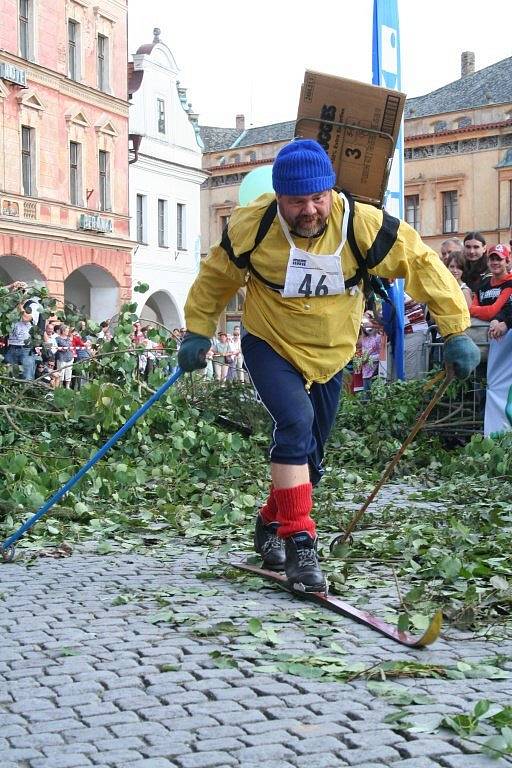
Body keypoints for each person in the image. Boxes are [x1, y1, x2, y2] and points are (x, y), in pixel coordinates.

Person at [178, 138, 479, 593]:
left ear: (330, 191)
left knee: (312, 459)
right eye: (297, 201)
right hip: (270, 340)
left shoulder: (361, 224)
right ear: (279, 197)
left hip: (332, 350)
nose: (310, 210)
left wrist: (456, 329)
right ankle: (300, 542)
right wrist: (198, 331)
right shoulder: (252, 226)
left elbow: (421, 263)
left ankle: (269, 521)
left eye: (318, 198)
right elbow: (216, 277)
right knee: (295, 425)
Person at [470, 244, 512, 339]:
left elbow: (493, 311)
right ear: (488, 262)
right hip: (484, 334)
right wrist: (488, 312)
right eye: (492, 259)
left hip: (503, 336)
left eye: (499, 259)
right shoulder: (483, 284)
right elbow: (471, 309)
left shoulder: (510, 282)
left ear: (506, 262)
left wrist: (485, 312)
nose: (495, 262)